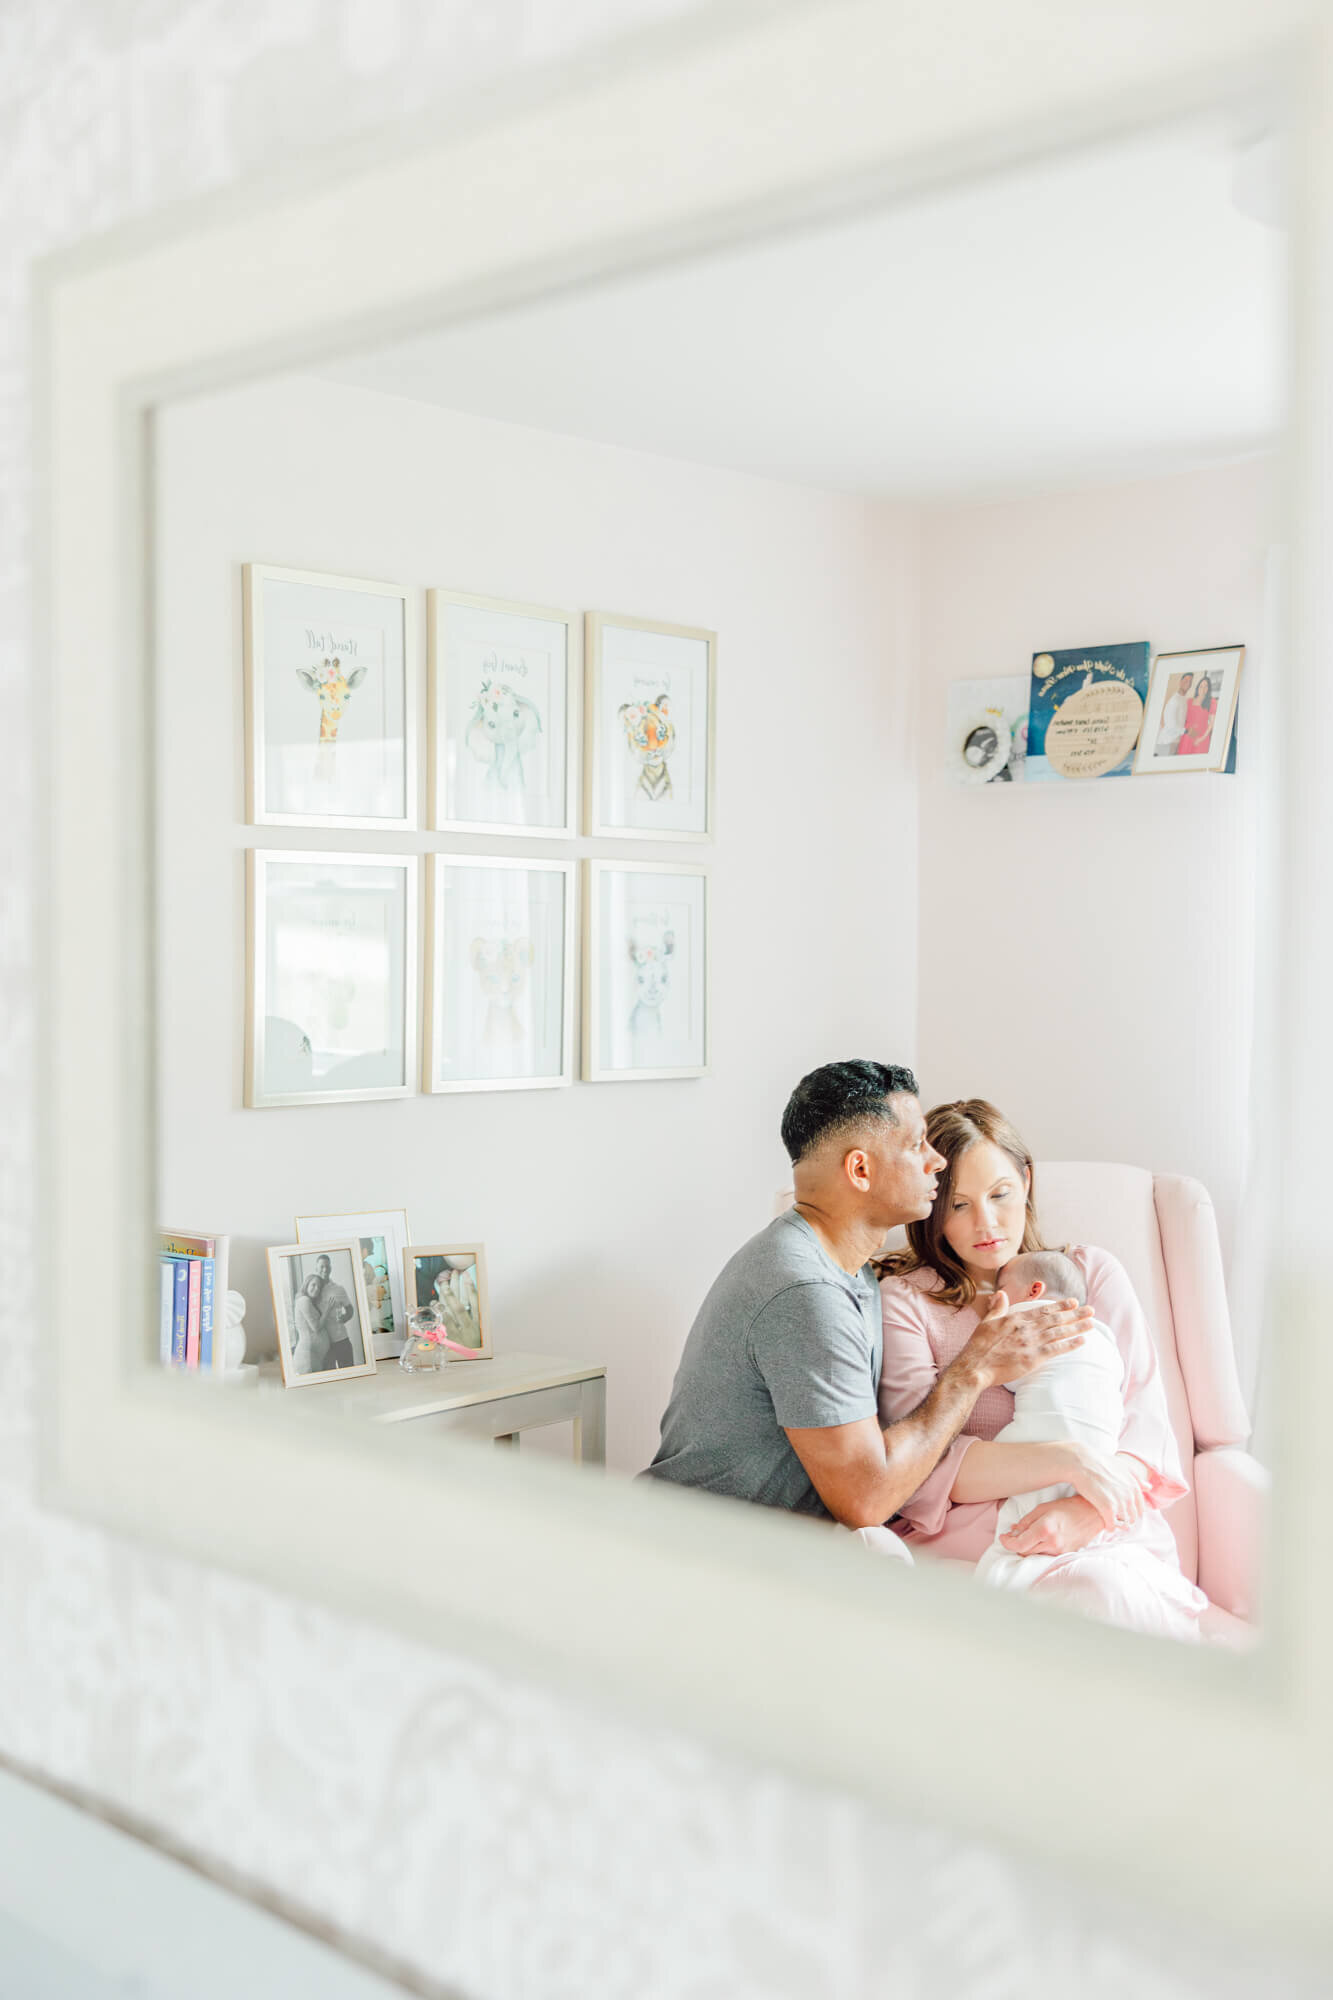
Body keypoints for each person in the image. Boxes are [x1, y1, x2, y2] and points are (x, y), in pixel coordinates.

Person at [642, 1061, 1091, 1528]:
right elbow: (866, 1501)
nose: (935, 1161)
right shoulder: (806, 1292)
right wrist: (973, 1370)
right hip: (704, 1556)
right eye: (917, 1145)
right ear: (860, 1169)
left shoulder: (844, 1269)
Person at [878, 1099, 1203, 1632]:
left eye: (1000, 1195)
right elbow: (923, 1464)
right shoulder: (907, 1303)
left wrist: (1085, 1514)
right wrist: (1067, 1460)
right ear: (933, 1207)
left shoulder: (1090, 1275)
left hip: (1105, 1523)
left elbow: (1145, 1426)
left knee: (1111, 1595)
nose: (986, 1223)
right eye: (958, 1205)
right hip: (980, 1541)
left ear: (1026, 1183)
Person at [973, 1248, 1205, 1639]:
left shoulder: (1029, 1320)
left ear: (1034, 1291)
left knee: (1026, 1504)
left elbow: (1001, 1372)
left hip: (1055, 1451)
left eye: (1002, 1289)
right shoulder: (1102, 1337)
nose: (996, 1295)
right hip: (1101, 1447)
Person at [313, 1252, 358, 1368]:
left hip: (341, 1339)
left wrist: (344, 1317)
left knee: (349, 1375)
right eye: (321, 1267)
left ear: (331, 1268)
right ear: (316, 1268)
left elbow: (350, 1310)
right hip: (323, 1344)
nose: (325, 1269)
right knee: (330, 1379)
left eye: (327, 1266)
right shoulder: (312, 1289)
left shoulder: (339, 1289)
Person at [292, 1273, 331, 1375]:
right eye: (313, 1285)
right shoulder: (304, 1300)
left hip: (314, 1356)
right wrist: (327, 1311)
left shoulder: (308, 1301)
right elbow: (316, 1327)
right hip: (307, 1357)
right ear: (306, 1285)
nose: (316, 1288)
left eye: (319, 1286)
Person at [1155, 671, 1192, 756]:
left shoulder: (1183, 700)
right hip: (1166, 742)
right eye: (1186, 680)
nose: (1188, 683)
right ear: (1180, 682)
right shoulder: (1174, 700)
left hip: (1175, 741)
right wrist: (1186, 731)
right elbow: (1171, 725)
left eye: (1190, 682)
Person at [1179, 672, 1215, 756]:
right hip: (1187, 736)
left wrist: (1201, 739)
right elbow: (1183, 719)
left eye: (1206, 686)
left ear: (1208, 689)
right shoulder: (1189, 701)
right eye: (1201, 686)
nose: (1203, 688)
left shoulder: (1211, 702)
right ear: (1198, 687)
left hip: (1201, 737)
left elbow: (1211, 724)